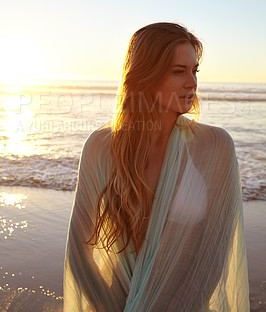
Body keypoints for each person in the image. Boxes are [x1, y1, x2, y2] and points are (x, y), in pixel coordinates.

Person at [63, 22, 250, 311]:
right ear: (145, 76)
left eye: (194, 70)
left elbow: (214, 252)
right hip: (115, 303)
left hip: (186, 304)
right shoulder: (101, 148)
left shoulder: (215, 147)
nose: (193, 82)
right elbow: (79, 251)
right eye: (179, 71)